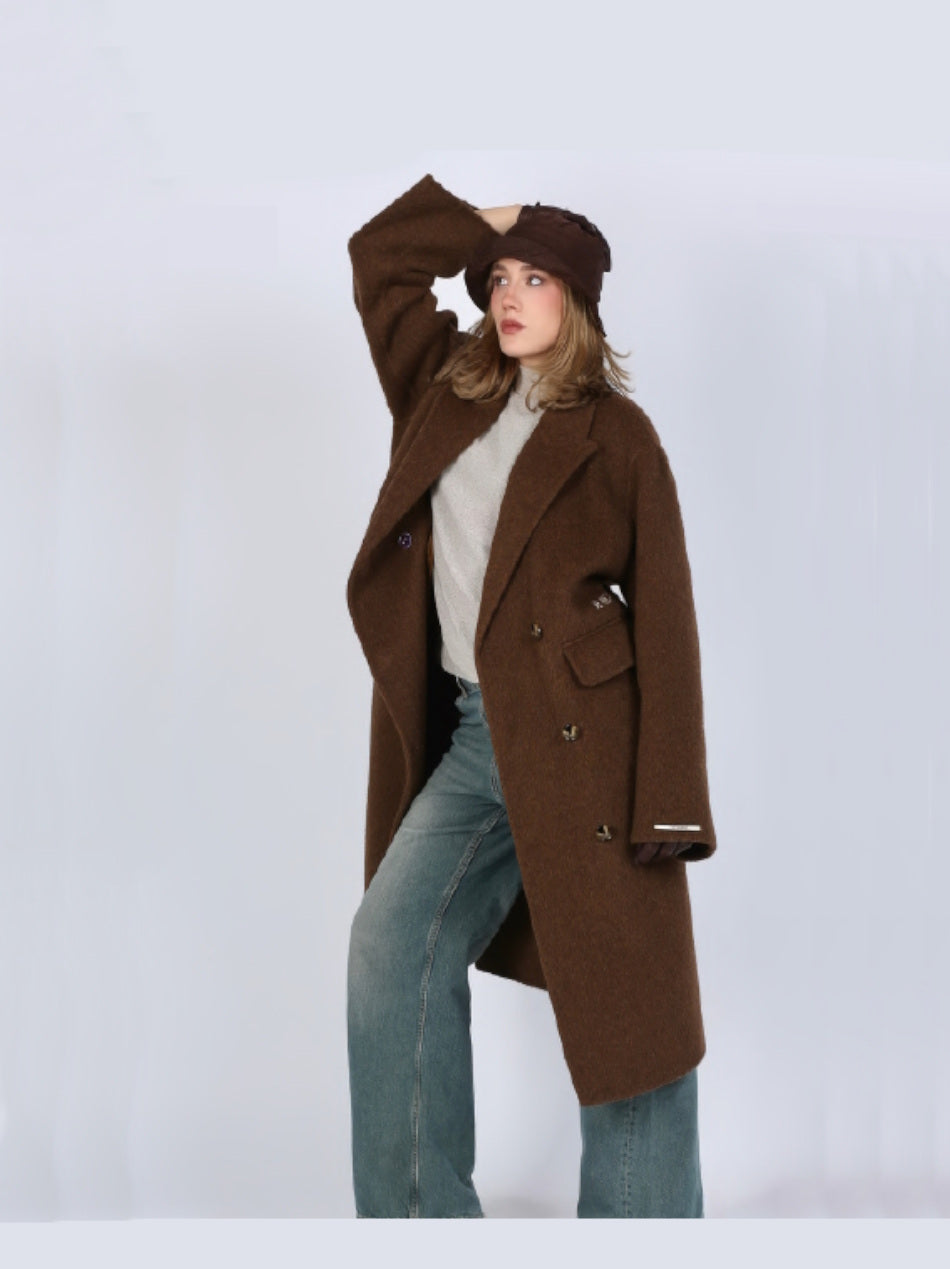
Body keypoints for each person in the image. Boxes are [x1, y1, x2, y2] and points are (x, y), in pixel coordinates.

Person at [344, 174, 718, 1218]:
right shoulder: (441, 388)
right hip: (473, 743)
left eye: (535, 278)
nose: (507, 295)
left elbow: (667, 618)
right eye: (497, 278)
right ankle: (418, 1225)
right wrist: (493, 220)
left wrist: (670, 803)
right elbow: (380, 261)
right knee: (389, 947)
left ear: (578, 298)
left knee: (629, 1014)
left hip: (591, 747)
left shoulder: (617, 435)